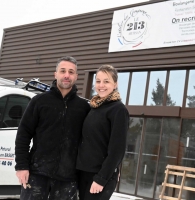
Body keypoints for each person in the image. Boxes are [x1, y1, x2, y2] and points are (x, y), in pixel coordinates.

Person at [15, 56, 90, 200]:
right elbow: (23, 134)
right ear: (55, 74)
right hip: (37, 173)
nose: (66, 75)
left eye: (71, 72)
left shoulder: (83, 108)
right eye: (63, 71)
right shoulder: (39, 101)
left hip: (68, 178)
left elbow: (90, 142)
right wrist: (21, 166)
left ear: (76, 76)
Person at [76, 65, 129, 200]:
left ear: (115, 84)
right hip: (84, 173)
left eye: (106, 81)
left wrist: (101, 178)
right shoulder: (94, 107)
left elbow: (117, 150)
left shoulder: (118, 110)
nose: (101, 85)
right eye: (98, 81)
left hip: (99, 175)